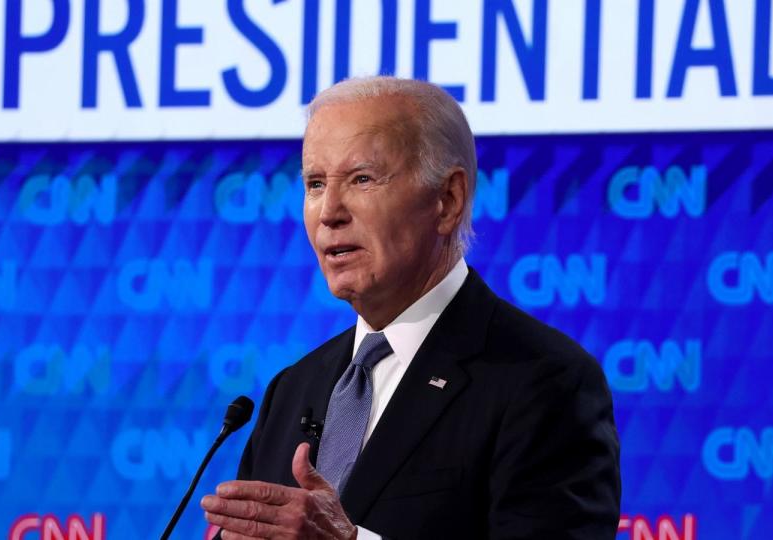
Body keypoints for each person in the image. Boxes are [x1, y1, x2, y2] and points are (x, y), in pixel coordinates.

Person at [201, 76, 620, 539]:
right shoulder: (293, 389)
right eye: (315, 184)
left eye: (361, 179)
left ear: (448, 200)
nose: (329, 212)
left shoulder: (544, 382)